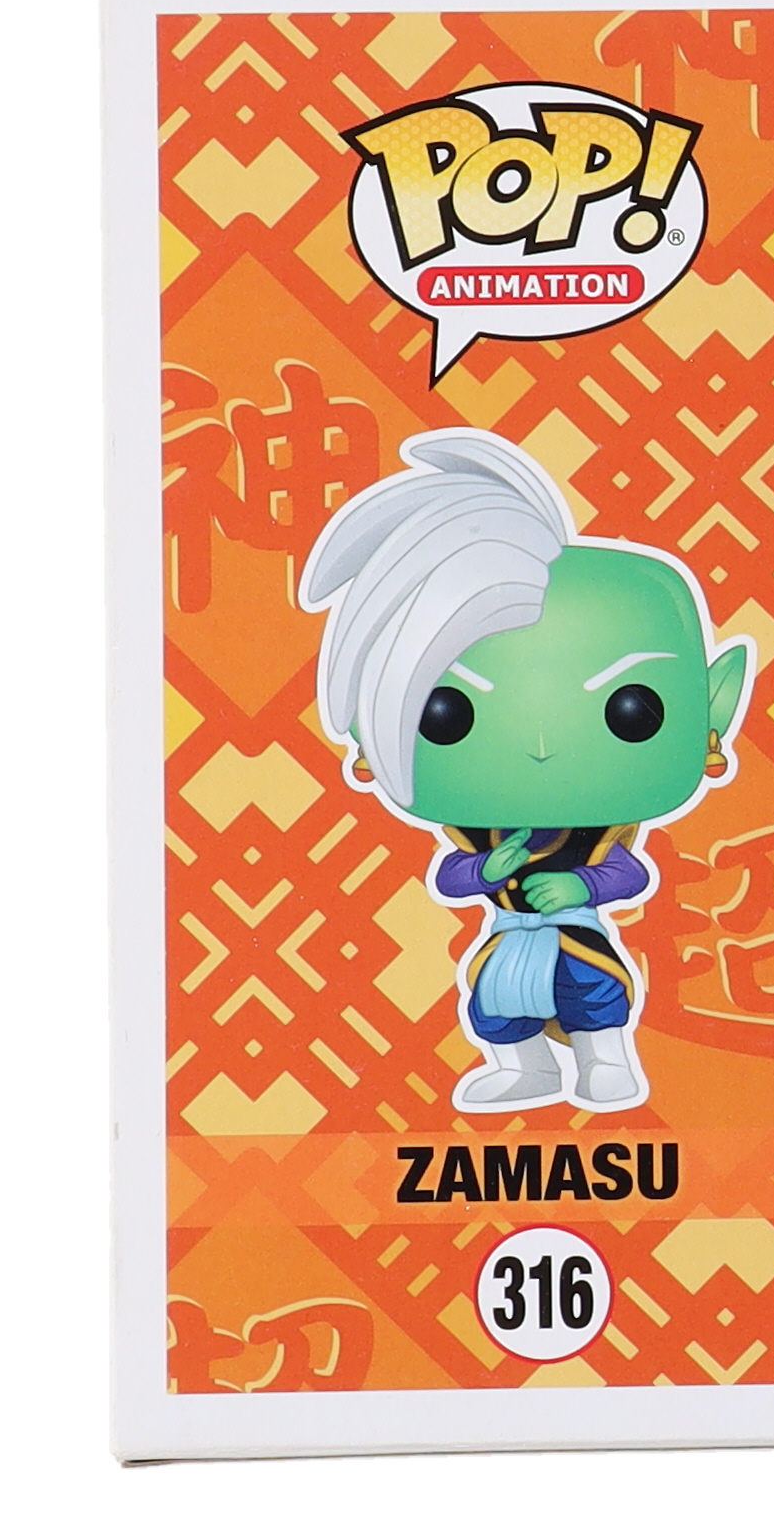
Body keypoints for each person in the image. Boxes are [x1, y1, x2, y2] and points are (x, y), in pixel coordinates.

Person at [300, 430, 750, 1111]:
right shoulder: (476, 831)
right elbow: (451, 879)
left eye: (632, 711)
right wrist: (487, 867)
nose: (541, 747)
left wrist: (578, 885)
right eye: (446, 714)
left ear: (709, 709)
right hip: (509, 940)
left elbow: (628, 874)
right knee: (497, 1007)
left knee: (593, 998)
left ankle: (605, 1059)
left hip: (575, 936)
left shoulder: (600, 832)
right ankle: (524, 1068)